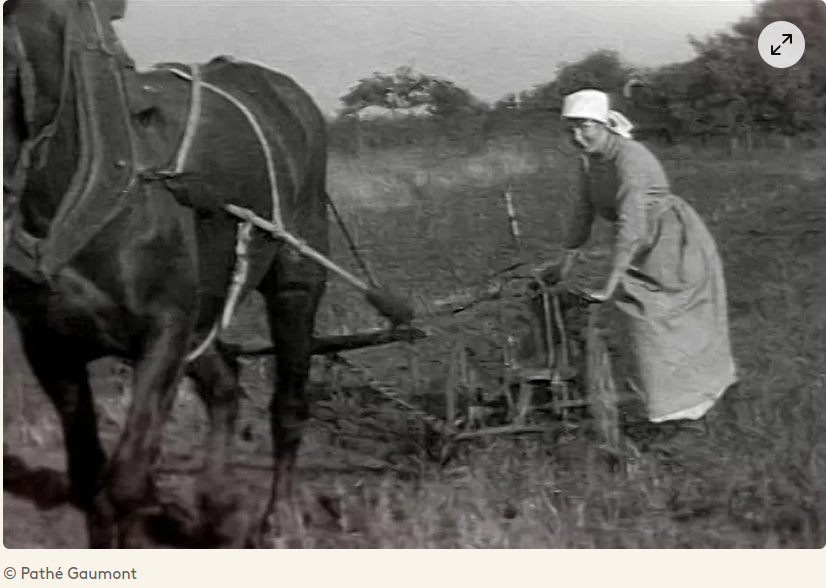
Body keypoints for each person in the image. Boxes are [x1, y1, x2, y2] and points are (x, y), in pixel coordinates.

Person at [540, 88, 738, 443]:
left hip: (671, 243)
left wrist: (609, 283)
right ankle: (658, 405)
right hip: (644, 242)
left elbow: (631, 226)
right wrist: (565, 260)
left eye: (584, 127)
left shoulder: (629, 158)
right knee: (637, 323)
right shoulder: (591, 161)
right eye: (569, 129)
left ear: (603, 125)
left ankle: (686, 412)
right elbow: (583, 210)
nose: (576, 136)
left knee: (656, 322)